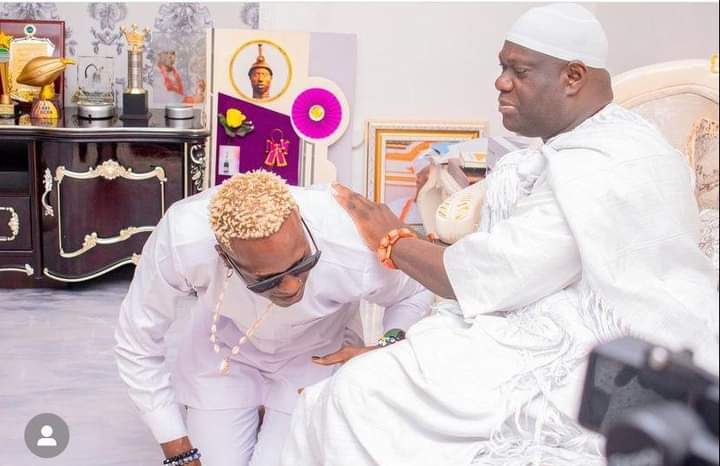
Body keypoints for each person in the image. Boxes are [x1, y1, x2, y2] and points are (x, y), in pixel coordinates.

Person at [280, 4, 719, 466]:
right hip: (551, 315)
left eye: (519, 71)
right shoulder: (615, 141)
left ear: (573, 77)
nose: (501, 82)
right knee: (339, 396)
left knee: (357, 394)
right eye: (502, 67)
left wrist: (393, 239)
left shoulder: (599, 165)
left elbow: (495, 275)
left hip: (589, 345)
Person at [114, 170, 432, 466]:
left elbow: (414, 292)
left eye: (302, 263)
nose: (291, 286)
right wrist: (178, 448)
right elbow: (137, 341)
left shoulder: (349, 241)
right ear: (224, 257)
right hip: (224, 351)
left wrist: (387, 345)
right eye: (268, 279)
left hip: (316, 355)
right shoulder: (184, 239)